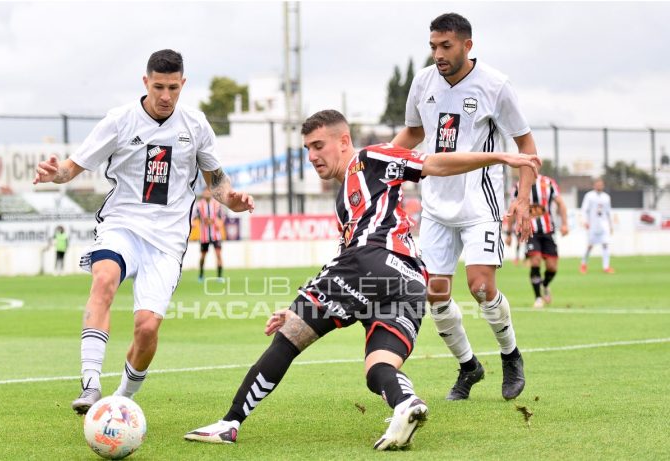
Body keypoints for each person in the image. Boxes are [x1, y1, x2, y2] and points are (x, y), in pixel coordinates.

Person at [184, 110, 539, 450]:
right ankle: (406, 404)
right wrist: (302, 303)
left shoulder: (371, 157)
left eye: (318, 146)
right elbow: (345, 258)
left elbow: (433, 163)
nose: (311, 156)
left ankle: (229, 423)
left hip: (373, 263)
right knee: (378, 369)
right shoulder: (344, 201)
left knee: (288, 338)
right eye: (307, 148)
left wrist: (501, 158)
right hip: (411, 283)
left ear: (344, 141)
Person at [32, 49, 254, 414]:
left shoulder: (195, 125)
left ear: (183, 84)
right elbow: (71, 169)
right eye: (158, 87)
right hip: (122, 225)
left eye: (173, 88)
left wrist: (231, 200)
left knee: (147, 328)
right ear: (145, 82)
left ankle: (122, 400)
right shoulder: (119, 121)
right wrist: (52, 174)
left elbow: (216, 181)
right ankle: (90, 384)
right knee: (104, 280)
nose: (166, 96)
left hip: (167, 241)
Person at [391, 12, 538, 401]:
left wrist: (522, 200)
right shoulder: (423, 82)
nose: (438, 54)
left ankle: (511, 356)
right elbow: (413, 132)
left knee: (480, 287)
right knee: (435, 293)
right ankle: (469, 366)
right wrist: (378, 160)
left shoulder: (495, 85)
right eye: (433, 46)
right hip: (435, 205)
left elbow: (526, 148)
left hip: (480, 203)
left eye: (446, 46)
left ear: (467, 45)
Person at [505, 175, 568, 308]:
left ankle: (544, 285)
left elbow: (561, 203)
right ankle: (538, 298)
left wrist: (564, 224)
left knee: (552, 267)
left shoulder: (549, 183)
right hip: (530, 231)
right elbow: (513, 209)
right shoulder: (518, 186)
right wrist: (509, 233)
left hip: (548, 231)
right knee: (535, 261)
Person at [580, 178, 614, 274]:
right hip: (592, 225)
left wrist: (611, 226)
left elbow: (608, 212)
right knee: (590, 246)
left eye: (601, 184)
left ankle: (606, 267)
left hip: (603, 225)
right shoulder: (589, 196)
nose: (599, 186)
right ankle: (583, 264)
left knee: (605, 244)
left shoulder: (606, 197)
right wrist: (585, 221)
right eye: (597, 184)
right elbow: (584, 210)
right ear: (594, 185)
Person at [194, 188, 225, 282]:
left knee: (218, 255)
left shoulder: (216, 204)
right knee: (203, 256)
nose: (207, 193)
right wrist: (193, 223)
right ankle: (201, 275)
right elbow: (194, 216)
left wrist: (219, 223)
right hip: (204, 235)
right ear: (203, 193)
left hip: (216, 234)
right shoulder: (199, 205)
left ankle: (219, 277)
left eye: (208, 191)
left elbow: (222, 217)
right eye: (205, 192)